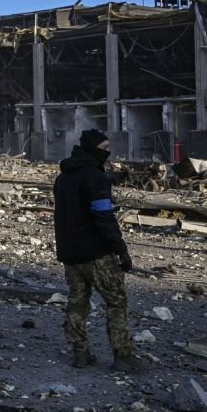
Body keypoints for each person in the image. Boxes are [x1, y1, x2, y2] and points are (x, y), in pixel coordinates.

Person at [53, 129, 144, 374]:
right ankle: (123, 356)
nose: (107, 152)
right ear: (94, 149)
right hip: (96, 254)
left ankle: (80, 352)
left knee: (77, 301)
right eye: (104, 148)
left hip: (70, 253)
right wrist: (120, 249)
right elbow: (103, 216)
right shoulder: (95, 178)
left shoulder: (63, 178)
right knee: (116, 302)